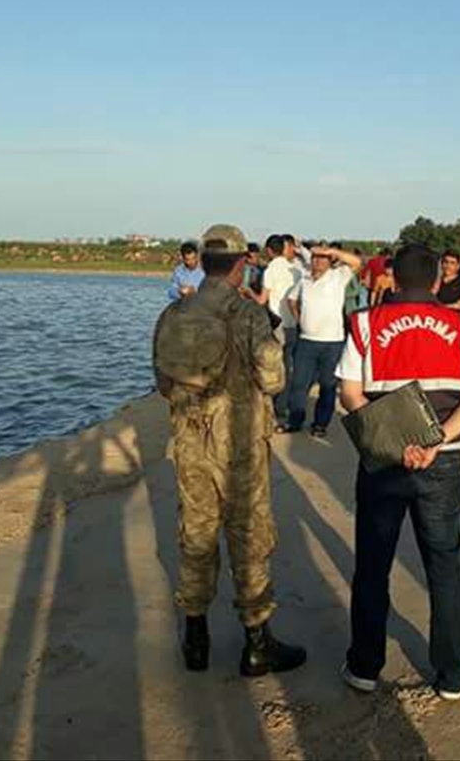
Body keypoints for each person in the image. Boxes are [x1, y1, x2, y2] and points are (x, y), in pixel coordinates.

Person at [336, 244, 460, 701]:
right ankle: (450, 671)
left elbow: (349, 393)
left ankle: (364, 665)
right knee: (444, 565)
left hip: (384, 462)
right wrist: (433, 441)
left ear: (393, 280)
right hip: (443, 462)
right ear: (438, 281)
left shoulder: (365, 323)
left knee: (372, 565)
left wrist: (395, 442)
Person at [153, 224, 307, 677]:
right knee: (249, 536)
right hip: (238, 445)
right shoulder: (248, 315)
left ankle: (195, 636)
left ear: (201, 262)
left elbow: (163, 381)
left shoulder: (174, 314)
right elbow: (274, 380)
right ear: (241, 265)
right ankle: (257, 642)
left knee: (196, 533)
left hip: (189, 442)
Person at [286, 244, 363, 437]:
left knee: (327, 387)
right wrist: (299, 318)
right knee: (298, 384)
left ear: (330, 261)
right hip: (306, 341)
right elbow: (291, 300)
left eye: (322, 258)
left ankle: (320, 424)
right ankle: (295, 421)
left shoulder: (338, 276)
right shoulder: (304, 279)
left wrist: (333, 252)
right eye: (314, 257)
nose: (317, 261)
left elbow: (357, 263)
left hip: (332, 343)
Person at [261, 234, 306, 428]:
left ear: (269, 250)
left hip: (277, 323)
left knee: (274, 366)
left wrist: (247, 293)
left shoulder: (270, 269)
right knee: (290, 366)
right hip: (294, 323)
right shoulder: (297, 269)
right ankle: (284, 406)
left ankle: (274, 406)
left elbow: (262, 300)